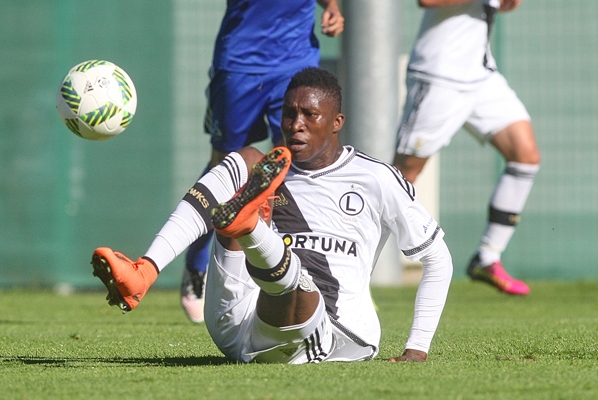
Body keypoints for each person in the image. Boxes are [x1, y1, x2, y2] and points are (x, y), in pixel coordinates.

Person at [91, 68, 453, 363]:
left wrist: (417, 349)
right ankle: (145, 271)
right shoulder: (269, 167)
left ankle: (248, 226)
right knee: (247, 157)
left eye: (310, 115)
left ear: (336, 121)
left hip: (322, 329)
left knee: (298, 282)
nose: (295, 123)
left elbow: (438, 260)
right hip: (234, 314)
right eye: (289, 113)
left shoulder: (376, 178)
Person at [181, 0, 345, 324]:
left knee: (298, 161)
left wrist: (332, 7)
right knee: (226, 167)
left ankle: (315, 275)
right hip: (241, 62)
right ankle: (197, 266)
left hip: (294, 62)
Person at [393, 0, 540, 295]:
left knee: (525, 156)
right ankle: (347, 265)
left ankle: (487, 257)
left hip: (481, 75)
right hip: (439, 76)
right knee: (399, 178)